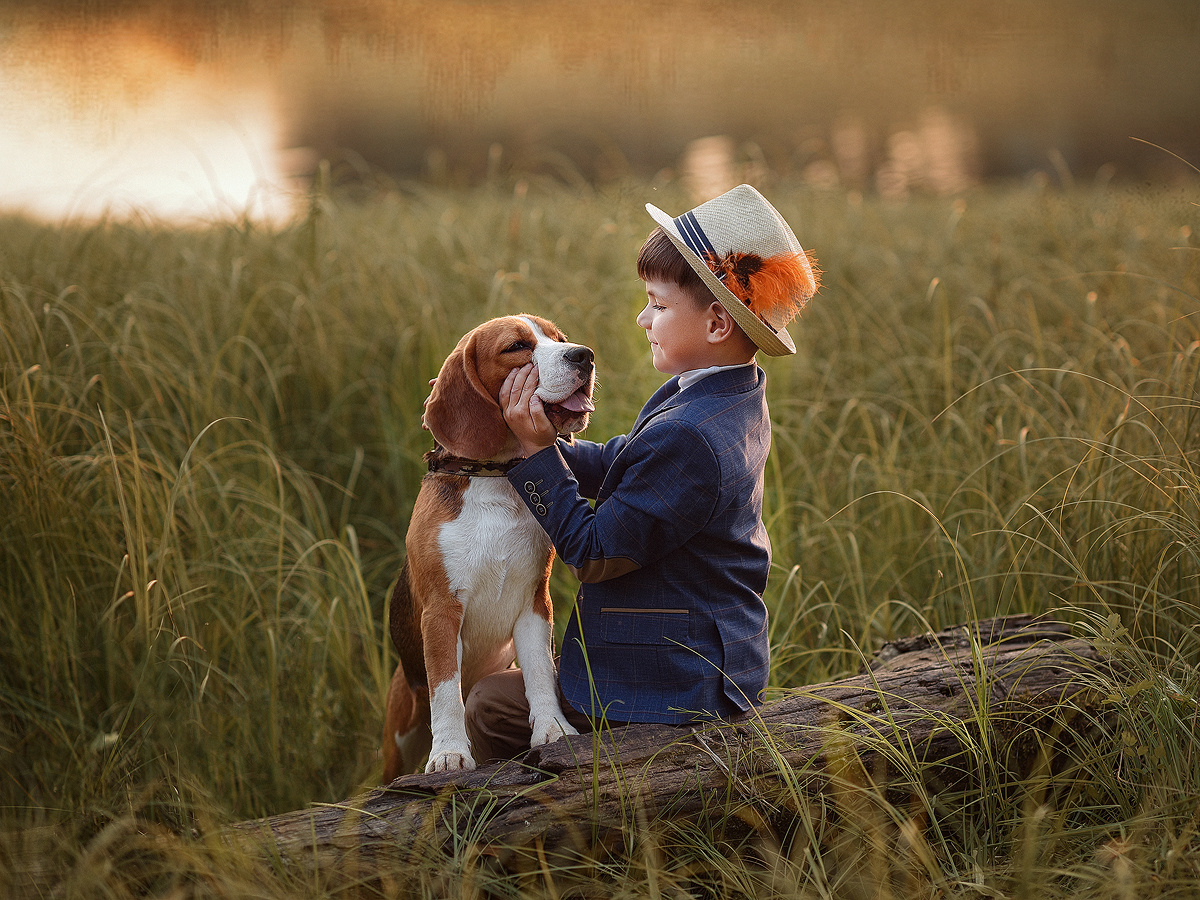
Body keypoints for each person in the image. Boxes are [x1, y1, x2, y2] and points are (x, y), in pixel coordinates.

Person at [464, 183, 820, 763]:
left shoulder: (691, 436)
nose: (642, 318)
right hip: (703, 650)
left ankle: (539, 814)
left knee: (487, 704)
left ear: (716, 324)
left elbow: (593, 555)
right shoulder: (726, 394)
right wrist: (526, 444)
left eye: (657, 304)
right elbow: (622, 462)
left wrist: (535, 456)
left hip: (670, 680)